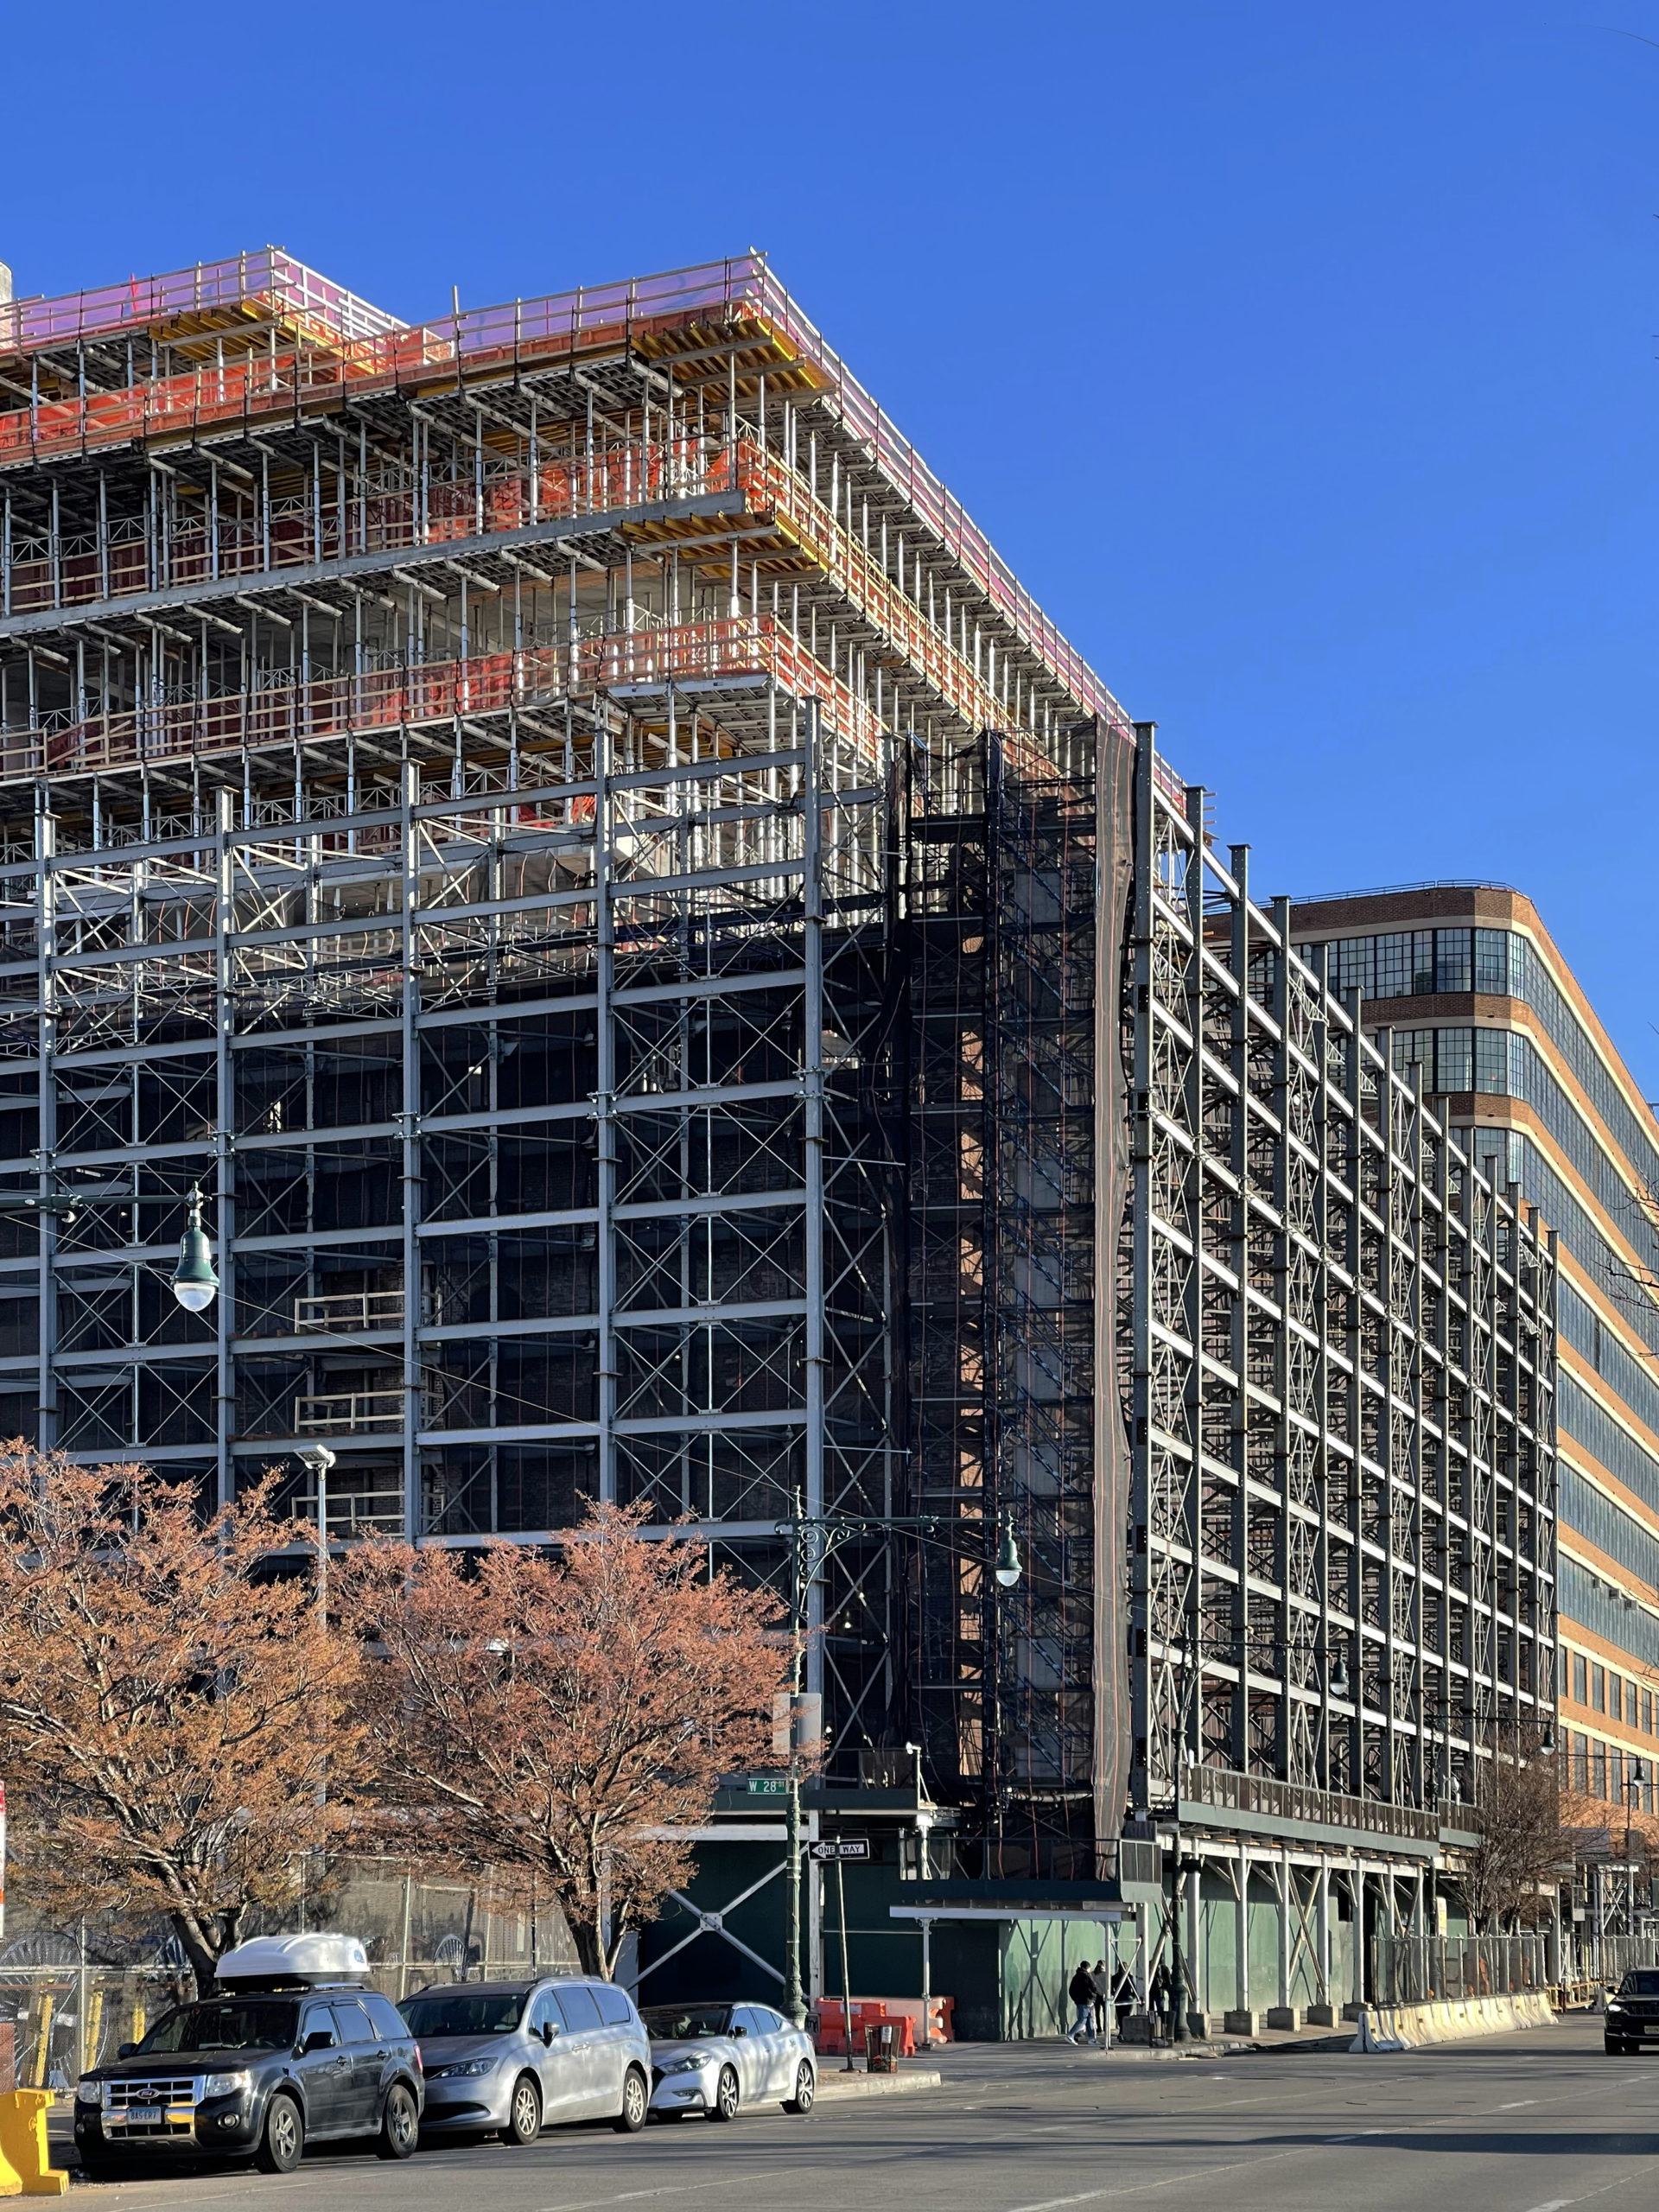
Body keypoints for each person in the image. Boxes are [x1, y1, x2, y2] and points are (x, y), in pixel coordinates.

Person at [1066, 1959, 1096, 2044]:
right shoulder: (1087, 1976)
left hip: (1081, 2001)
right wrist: (1093, 1997)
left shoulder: (1076, 1977)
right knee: (1083, 2019)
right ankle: (1071, 2034)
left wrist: (1076, 2000)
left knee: (1088, 2019)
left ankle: (1091, 2038)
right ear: (1088, 1968)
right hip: (1087, 2001)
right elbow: (1093, 1988)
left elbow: (1071, 1990)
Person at [1112, 1959, 1135, 2038]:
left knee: (1120, 2015)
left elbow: (1111, 1989)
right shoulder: (1130, 1977)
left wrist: (1115, 1995)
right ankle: (1125, 2032)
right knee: (1127, 2016)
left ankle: (1121, 2031)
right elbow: (1134, 1989)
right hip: (1128, 1998)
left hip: (1118, 1999)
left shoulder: (1114, 1977)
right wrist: (1133, 1996)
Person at [1090, 1960, 1109, 2041]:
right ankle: (1106, 2028)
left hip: (1096, 1995)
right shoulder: (1106, 1974)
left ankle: (1099, 2028)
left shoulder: (1093, 1974)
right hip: (1104, 1995)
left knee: (1097, 2013)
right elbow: (1107, 1985)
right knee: (1105, 2012)